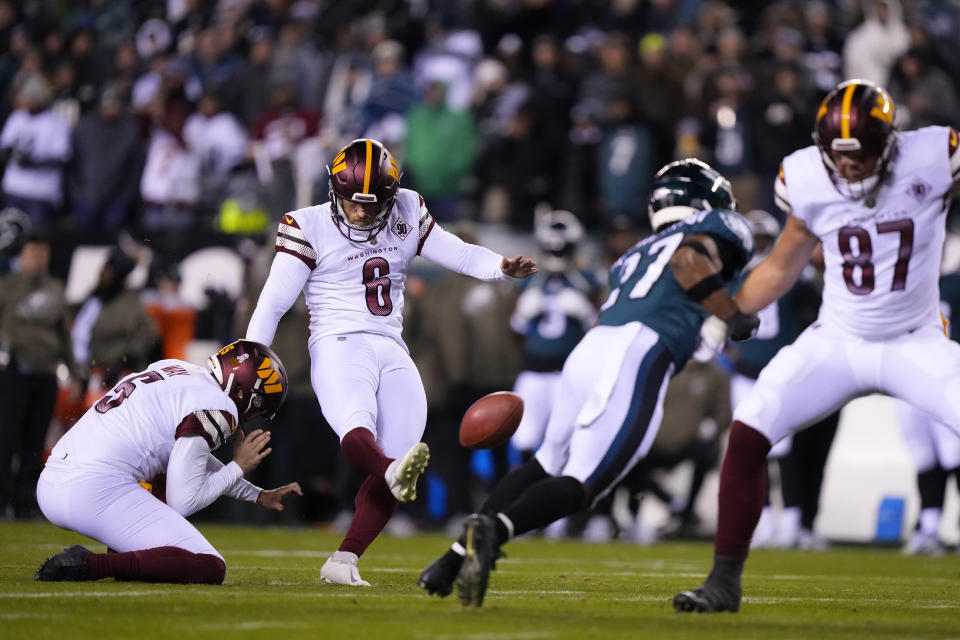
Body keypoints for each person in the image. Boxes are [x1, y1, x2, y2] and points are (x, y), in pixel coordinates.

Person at [674, 79, 960, 613]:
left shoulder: (934, 155)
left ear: (891, 143)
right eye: (839, 157)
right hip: (838, 339)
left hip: (915, 339)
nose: (849, 169)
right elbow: (783, 262)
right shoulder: (805, 175)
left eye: (863, 156)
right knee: (750, 428)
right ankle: (723, 580)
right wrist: (731, 314)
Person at [419, 158, 757, 607]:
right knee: (584, 483)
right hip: (637, 350)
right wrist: (732, 318)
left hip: (593, 348)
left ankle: (453, 556)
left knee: (544, 463)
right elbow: (690, 259)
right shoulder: (716, 228)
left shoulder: (635, 254)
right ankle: (494, 531)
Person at [245, 138, 537, 587]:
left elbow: (456, 251)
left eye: (373, 202)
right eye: (352, 202)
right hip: (337, 343)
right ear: (333, 189)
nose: (361, 212)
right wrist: (249, 358)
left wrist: (500, 266)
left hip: (391, 345)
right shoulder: (307, 225)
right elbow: (273, 303)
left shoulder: (406, 208)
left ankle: (343, 561)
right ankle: (383, 473)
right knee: (359, 431)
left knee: (402, 456)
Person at [34, 339, 301, 584]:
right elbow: (183, 501)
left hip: (54, 480)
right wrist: (238, 467)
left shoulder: (176, 368)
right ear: (244, 392)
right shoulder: (221, 406)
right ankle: (89, 565)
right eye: (259, 407)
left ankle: (128, 550)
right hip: (92, 489)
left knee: (164, 471)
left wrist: (257, 495)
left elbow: (192, 459)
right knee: (209, 566)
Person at [0, 228, 80, 518]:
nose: (38, 259)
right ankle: (2, 500)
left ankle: (24, 502)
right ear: (21, 255)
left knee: (35, 443)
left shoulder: (56, 289)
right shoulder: (7, 287)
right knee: (6, 438)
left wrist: (73, 372)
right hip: (13, 371)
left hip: (45, 372)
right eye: (33, 253)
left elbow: (64, 335)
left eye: (42, 253)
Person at [510, 210, 600, 459]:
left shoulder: (587, 280)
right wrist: (519, 315)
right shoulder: (527, 280)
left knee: (568, 440)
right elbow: (513, 331)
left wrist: (587, 314)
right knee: (525, 438)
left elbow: (604, 330)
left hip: (569, 373)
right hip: (533, 371)